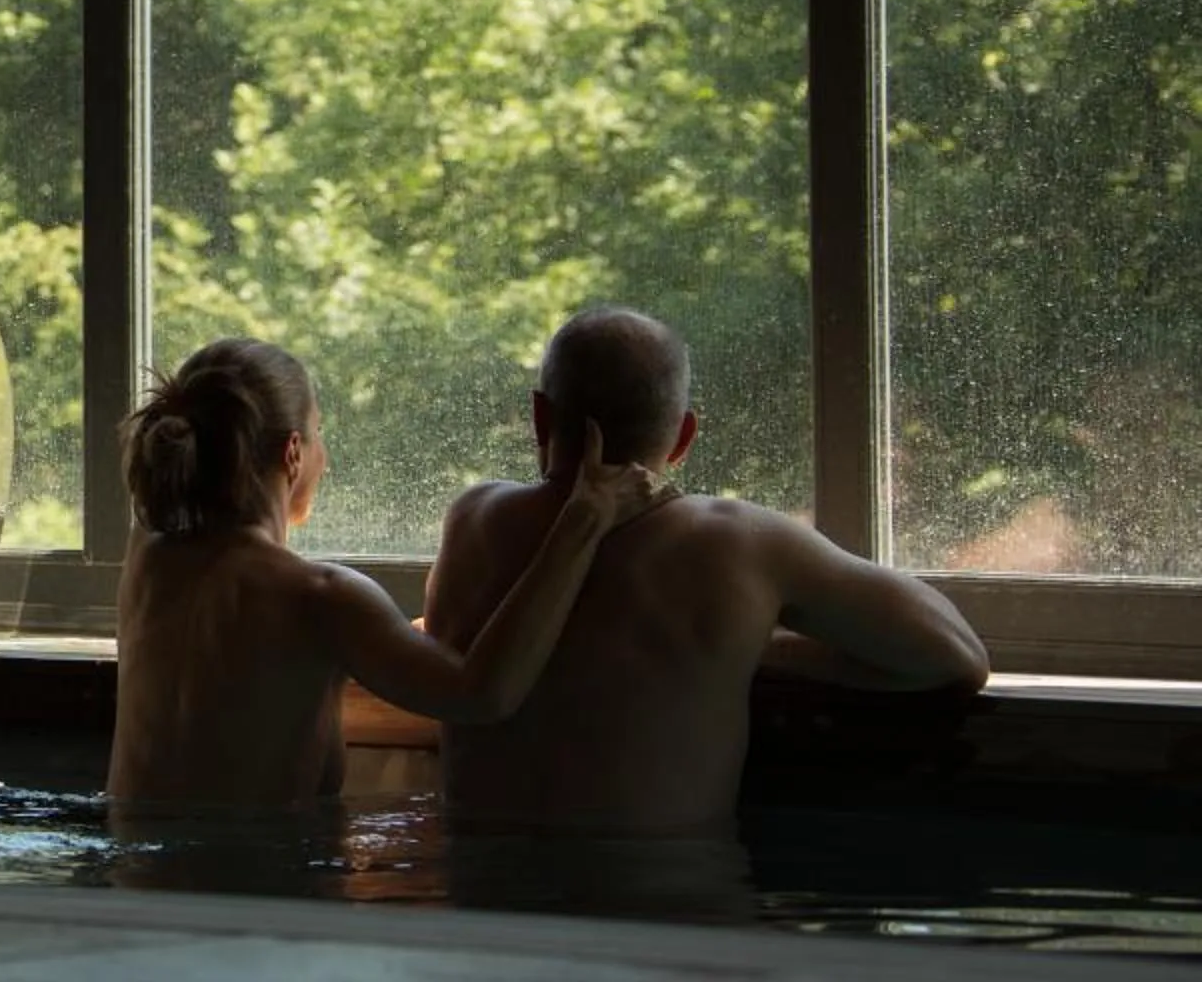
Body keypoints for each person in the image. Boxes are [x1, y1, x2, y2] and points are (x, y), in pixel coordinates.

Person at [423, 305, 990, 835]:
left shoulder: (473, 520)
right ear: (685, 436)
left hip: (488, 914)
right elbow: (955, 657)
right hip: (668, 906)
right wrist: (754, 646)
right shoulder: (735, 541)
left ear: (540, 417)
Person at [109, 338, 667, 813]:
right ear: (294, 454)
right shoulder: (319, 596)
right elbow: (483, 695)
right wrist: (582, 522)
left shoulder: (147, 557)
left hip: (138, 892)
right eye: (320, 432)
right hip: (259, 903)